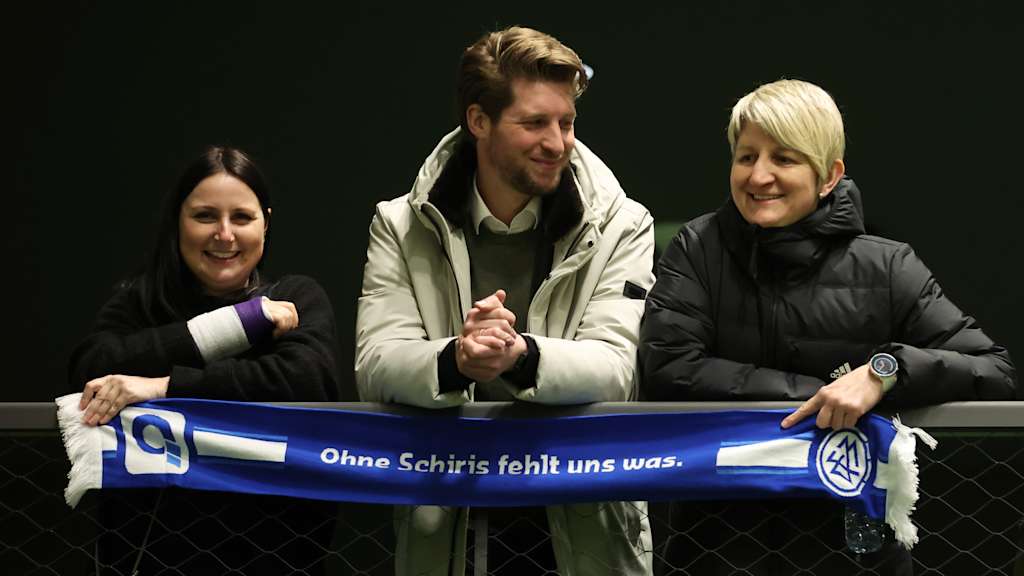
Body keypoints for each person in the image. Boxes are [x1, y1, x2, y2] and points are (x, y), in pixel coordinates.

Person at [639, 79, 1018, 575]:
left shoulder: (887, 266)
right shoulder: (697, 247)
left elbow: (993, 370)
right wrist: (818, 394)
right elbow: (667, 367)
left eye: (784, 158)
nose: (759, 175)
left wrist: (883, 373)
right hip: (719, 551)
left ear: (828, 176)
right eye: (746, 156)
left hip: (852, 554)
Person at [356, 26, 655, 576]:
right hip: (448, 520)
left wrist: (519, 356)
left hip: (582, 521)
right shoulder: (399, 225)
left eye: (566, 122)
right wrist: (457, 358)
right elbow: (376, 365)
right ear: (479, 121)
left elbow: (616, 370)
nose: (557, 143)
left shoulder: (623, 223)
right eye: (534, 123)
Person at [68, 145, 342, 574]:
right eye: (205, 216)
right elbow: (90, 368)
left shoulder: (296, 297)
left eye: (242, 217)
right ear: (177, 221)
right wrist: (241, 323)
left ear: (266, 223)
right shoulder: (139, 302)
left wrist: (161, 387)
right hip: (151, 557)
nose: (225, 234)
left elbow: (305, 381)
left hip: (276, 555)